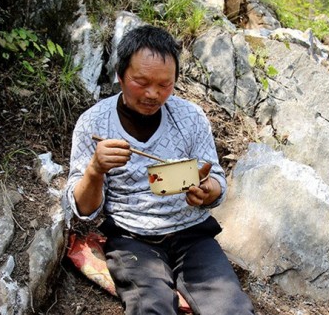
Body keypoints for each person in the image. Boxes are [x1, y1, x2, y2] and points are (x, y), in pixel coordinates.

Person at [65, 25, 254, 315]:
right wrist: (95, 170)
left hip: (192, 234)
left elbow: (215, 179)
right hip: (132, 239)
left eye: (165, 85)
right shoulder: (93, 123)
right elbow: (83, 209)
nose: (153, 94)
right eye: (141, 82)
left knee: (233, 309)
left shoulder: (190, 118)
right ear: (120, 75)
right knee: (151, 308)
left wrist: (207, 191)